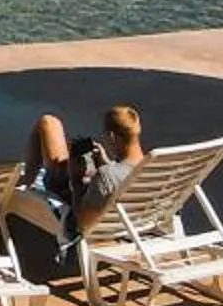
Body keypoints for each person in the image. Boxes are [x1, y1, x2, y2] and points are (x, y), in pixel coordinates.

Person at [15, 105, 148, 246]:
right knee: (51, 127)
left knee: (47, 123)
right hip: (129, 223)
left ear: (111, 136)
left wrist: (76, 180)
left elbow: (81, 225)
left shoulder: (106, 175)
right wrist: (106, 163)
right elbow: (121, 177)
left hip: (84, 218)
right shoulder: (150, 168)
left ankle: (26, 183)